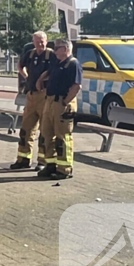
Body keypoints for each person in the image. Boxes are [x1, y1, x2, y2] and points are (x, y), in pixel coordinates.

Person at [36, 39, 82, 180]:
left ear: (66, 49)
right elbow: (49, 73)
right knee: (47, 134)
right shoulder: (58, 63)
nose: (54, 51)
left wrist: (65, 101)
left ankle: (64, 169)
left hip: (61, 102)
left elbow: (76, 86)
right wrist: (40, 79)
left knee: (63, 137)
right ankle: (51, 165)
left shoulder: (73, 64)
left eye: (57, 48)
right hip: (50, 101)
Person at [11, 32, 53, 170]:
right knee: (26, 129)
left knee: (44, 130)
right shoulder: (30, 54)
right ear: (33, 42)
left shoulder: (51, 55)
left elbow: (53, 70)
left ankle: (42, 161)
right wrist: (25, 75)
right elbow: (20, 65)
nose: (40, 44)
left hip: (44, 95)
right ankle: (23, 159)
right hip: (31, 95)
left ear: (46, 41)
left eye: (42, 41)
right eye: (37, 42)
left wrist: (41, 79)